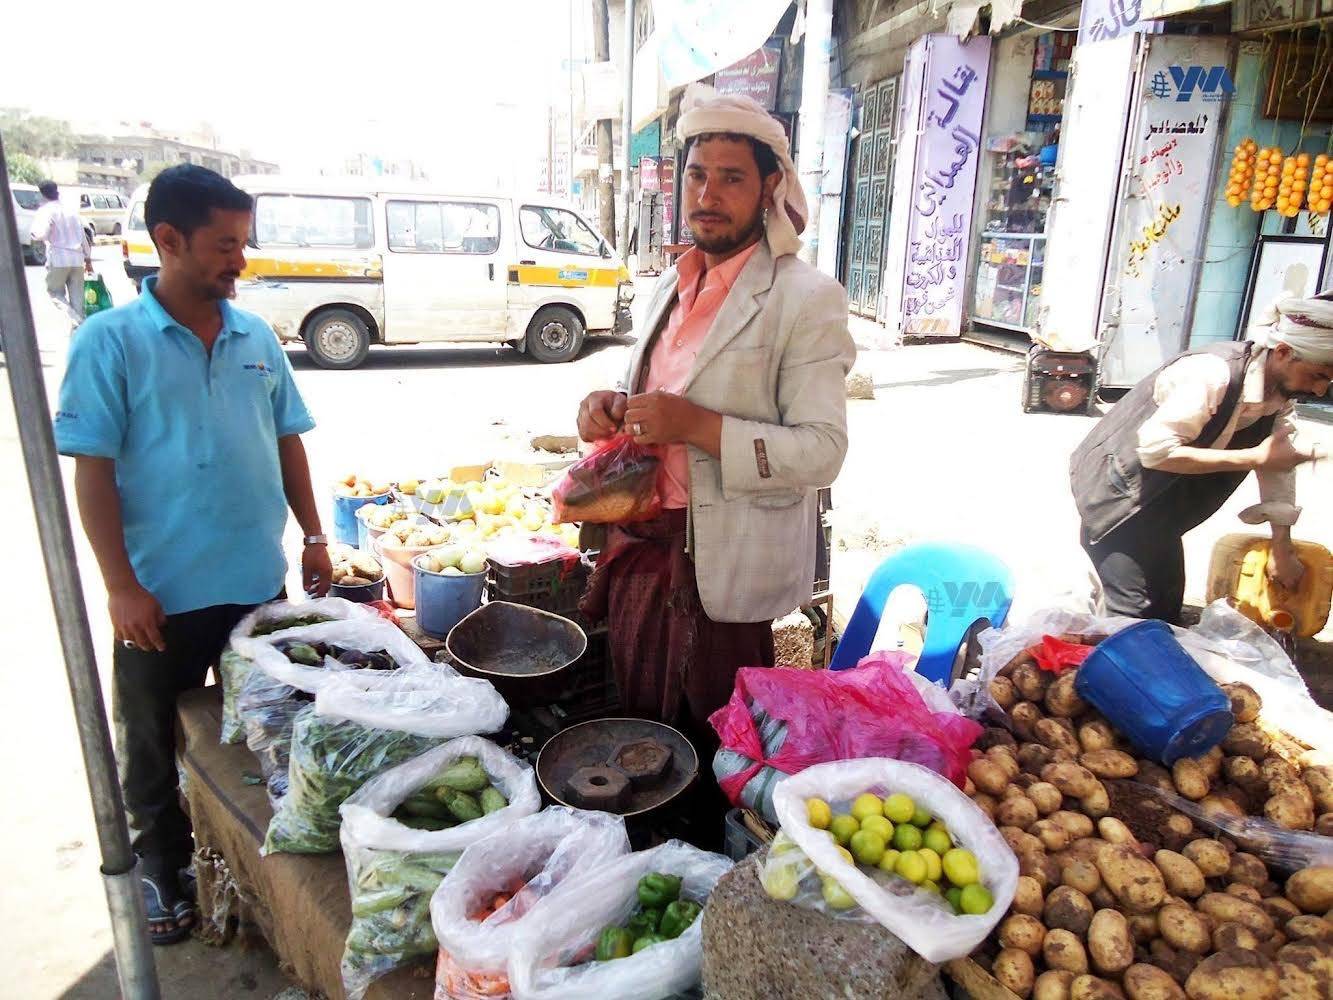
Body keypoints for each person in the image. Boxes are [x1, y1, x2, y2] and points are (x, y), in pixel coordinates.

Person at [53, 164, 331, 945]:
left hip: (255, 584)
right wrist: (119, 585)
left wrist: (312, 535)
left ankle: (241, 856)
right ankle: (159, 864)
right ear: (167, 241)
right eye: (224, 245)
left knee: (261, 732)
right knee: (149, 738)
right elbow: (95, 472)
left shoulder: (255, 337)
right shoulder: (110, 342)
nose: (239, 260)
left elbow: (287, 441)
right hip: (162, 596)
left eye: (243, 242)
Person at [577, 85, 855, 827]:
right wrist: (605, 406)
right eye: (697, 175)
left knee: (716, 751)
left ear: (769, 188)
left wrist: (699, 426)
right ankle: (644, 861)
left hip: (723, 570)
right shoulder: (669, 284)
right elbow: (655, 396)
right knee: (640, 736)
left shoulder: (803, 298)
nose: (708, 194)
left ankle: (708, 871)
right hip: (643, 553)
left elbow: (822, 451)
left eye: (731, 177)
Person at [1070, 296, 1333, 624]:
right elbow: (1155, 452)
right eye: (1318, 376)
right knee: (1134, 620)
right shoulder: (1212, 374)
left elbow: (1276, 467)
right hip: (1120, 502)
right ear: (1283, 353)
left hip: (1162, 513)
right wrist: (1253, 457)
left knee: (1164, 612)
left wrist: (1282, 547)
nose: (1320, 391)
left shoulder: (1278, 396)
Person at [29, 181, 94, 328]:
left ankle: (77, 320)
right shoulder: (71, 211)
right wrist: (88, 259)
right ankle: (78, 335)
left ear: (42, 194)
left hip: (58, 259)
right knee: (78, 302)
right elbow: (83, 237)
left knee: (54, 293)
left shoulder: (45, 211)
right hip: (77, 260)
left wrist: (33, 235)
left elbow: (41, 234)